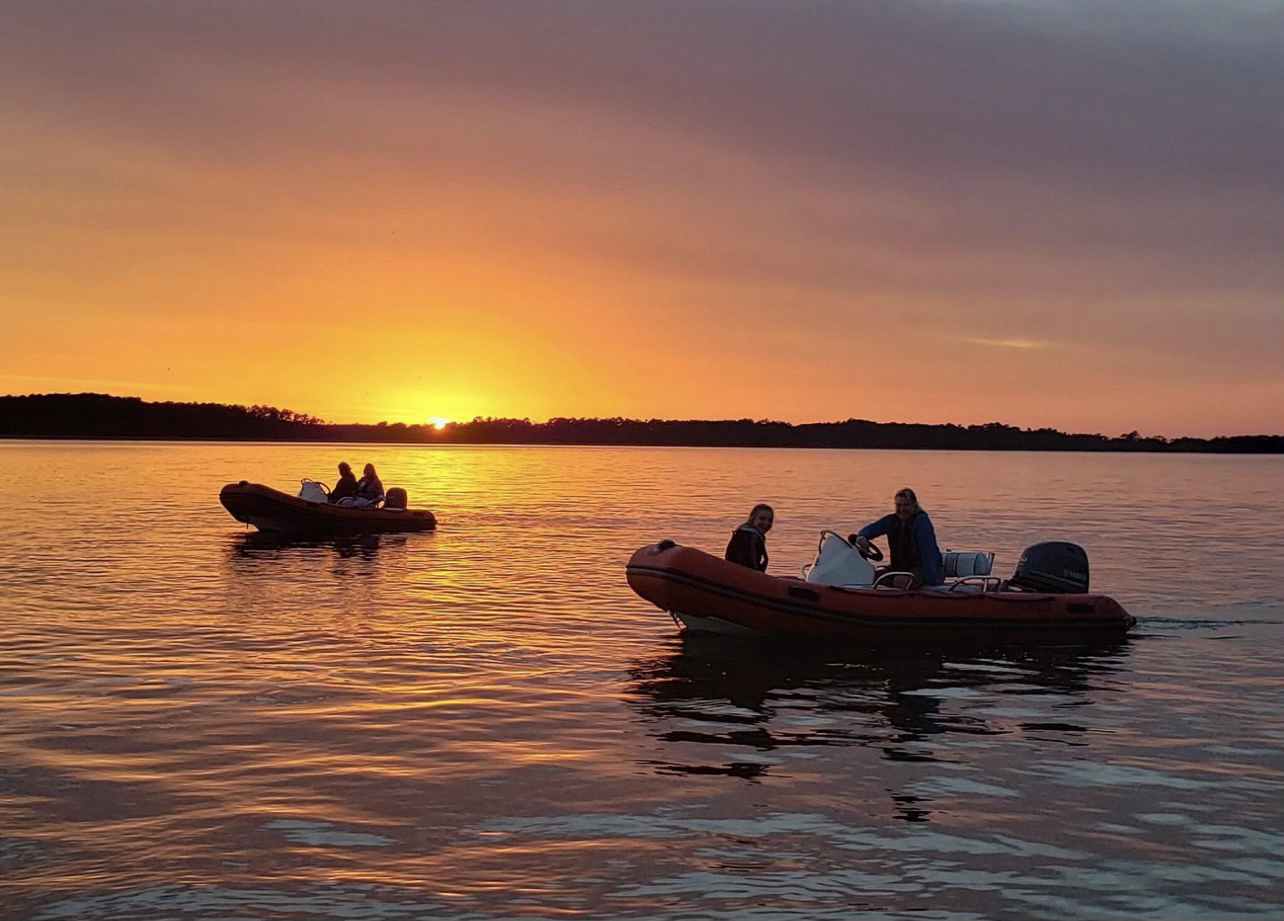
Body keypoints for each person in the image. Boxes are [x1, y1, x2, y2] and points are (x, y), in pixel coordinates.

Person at [850, 487, 943, 587]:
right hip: (901, 569)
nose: (902, 509)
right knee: (869, 576)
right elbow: (871, 529)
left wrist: (931, 583)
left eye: (906, 505)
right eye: (899, 505)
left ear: (914, 505)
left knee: (901, 581)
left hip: (925, 569)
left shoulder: (921, 522)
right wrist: (862, 537)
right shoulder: (891, 520)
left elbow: (928, 553)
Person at [724, 503, 774, 572]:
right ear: (752, 518)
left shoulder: (743, 532)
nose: (766, 523)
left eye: (769, 520)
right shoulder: (751, 536)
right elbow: (751, 563)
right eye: (762, 519)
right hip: (741, 576)